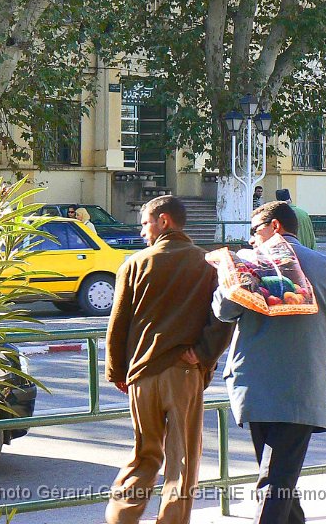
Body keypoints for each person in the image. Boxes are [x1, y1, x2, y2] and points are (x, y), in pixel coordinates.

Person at [213, 201, 326, 524]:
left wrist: (230, 276)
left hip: (253, 389)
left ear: (275, 227)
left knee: (277, 480)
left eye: (255, 231)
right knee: (279, 479)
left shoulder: (248, 263)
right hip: (302, 390)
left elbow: (223, 312)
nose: (251, 240)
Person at [105, 195, 234, 524]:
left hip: (142, 375)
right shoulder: (205, 263)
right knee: (181, 460)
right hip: (184, 373)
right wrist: (203, 356)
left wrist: (117, 372)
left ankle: (121, 516)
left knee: (144, 453)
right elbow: (223, 318)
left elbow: (118, 324)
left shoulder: (134, 263)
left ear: (164, 221)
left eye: (145, 223)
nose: (142, 231)